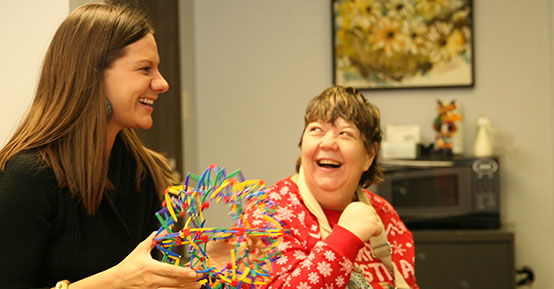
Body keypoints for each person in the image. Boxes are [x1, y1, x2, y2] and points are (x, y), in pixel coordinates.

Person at [0, 2, 201, 289]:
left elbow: (152, 280)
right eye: (145, 69)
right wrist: (116, 281)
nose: (162, 83)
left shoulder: (143, 172)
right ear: (93, 76)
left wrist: (204, 271)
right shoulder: (28, 177)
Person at [243, 86, 419, 289]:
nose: (328, 143)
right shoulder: (267, 210)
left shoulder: (384, 214)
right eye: (316, 130)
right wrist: (346, 237)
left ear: (369, 154)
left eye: (345, 133)